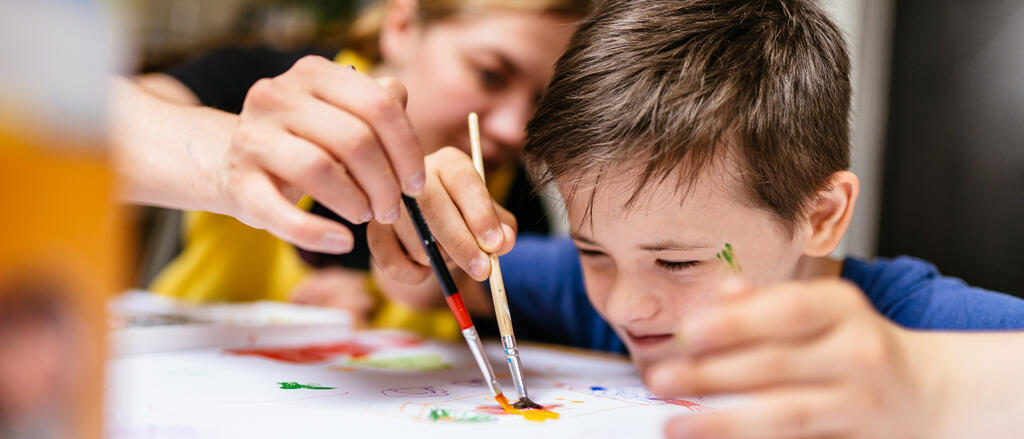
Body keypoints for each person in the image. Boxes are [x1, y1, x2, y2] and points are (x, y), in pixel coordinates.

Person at [368, 0, 1024, 437]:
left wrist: (929, 381)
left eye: (677, 260)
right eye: (592, 250)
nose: (625, 305)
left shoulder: (917, 328)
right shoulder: (582, 291)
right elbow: (453, 274)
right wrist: (419, 236)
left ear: (821, 215)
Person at [112, 0, 590, 336]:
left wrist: (417, 290)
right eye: (490, 73)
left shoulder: (511, 195)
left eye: (539, 100)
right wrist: (231, 153)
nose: (514, 128)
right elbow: (94, 121)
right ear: (402, 24)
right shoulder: (269, 83)